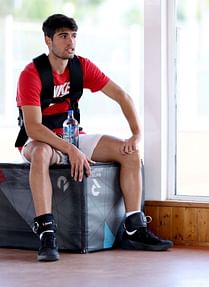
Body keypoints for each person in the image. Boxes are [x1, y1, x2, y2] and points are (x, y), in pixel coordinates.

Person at [15, 13, 173, 262]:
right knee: (41, 153)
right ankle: (46, 232)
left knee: (129, 153)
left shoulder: (81, 66)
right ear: (47, 40)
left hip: (72, 136)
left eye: (74, 36)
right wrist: (70, 150)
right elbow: (33, 127)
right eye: (63, 36)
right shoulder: (31, 74)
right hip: (42, 141)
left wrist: (136, 133)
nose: (71, 42)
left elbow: (122, 95)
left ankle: (134, 227)